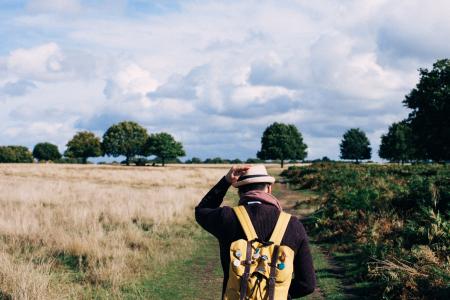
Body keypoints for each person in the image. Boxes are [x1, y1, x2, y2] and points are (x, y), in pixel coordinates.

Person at [195, 165, 316, 299]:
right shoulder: (293, 225)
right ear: (269, 188)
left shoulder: (227, 217)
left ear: (239, 192)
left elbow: (202, 210)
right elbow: (307, 284)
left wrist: (226, 181)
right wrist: (276, 291)